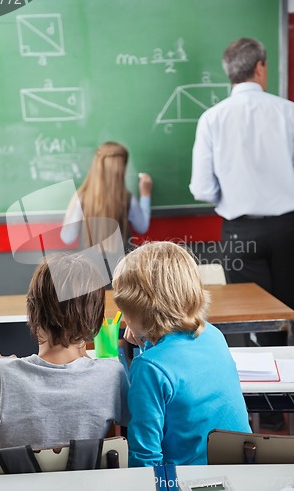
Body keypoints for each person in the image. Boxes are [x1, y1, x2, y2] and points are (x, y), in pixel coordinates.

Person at [0, 253, 129, 450]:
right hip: (84, 480)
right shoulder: (111, 375)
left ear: (32, 310)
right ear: (96, 317)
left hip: (13, 480)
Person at [189, 37, 294, 347]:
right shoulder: (288, 112)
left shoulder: (211, 118)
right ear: (260, 67)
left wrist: (233, 194)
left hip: (240, 231)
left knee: (254, 314)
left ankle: (264, 381)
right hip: (288, 227)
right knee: (289, 309)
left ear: (229, 73)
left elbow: (202, 188)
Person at [112, 241, 251, 467]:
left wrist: (144, 344)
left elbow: (145, 457)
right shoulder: (212, 334)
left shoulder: (148, 368)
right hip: (242, 467)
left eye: (124, 310)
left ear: (139, 310)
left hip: (188, 479)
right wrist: (147, 338)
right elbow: (174, 366)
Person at [60, 141, 153, 251]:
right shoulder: (127, 200)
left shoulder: (82, 199)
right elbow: (142, 227)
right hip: (121, 266)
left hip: (90, 266)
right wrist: (145, 194)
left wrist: (71, 207)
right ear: (122, 170)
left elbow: (67, 238)